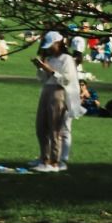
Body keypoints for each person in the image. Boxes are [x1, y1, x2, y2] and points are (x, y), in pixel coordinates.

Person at [33, 30, 81, 171]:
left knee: (55, 128)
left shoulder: (66, 59)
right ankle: (44, 158)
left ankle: (54, 161)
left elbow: (67, 79)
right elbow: (43, 79)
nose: (49, 48)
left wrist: (51, 71)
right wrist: (41, 69)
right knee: (41, 126)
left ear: (58, 43)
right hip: (46, 91)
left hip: (59, 92)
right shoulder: (50, 59)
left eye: (51, 45)